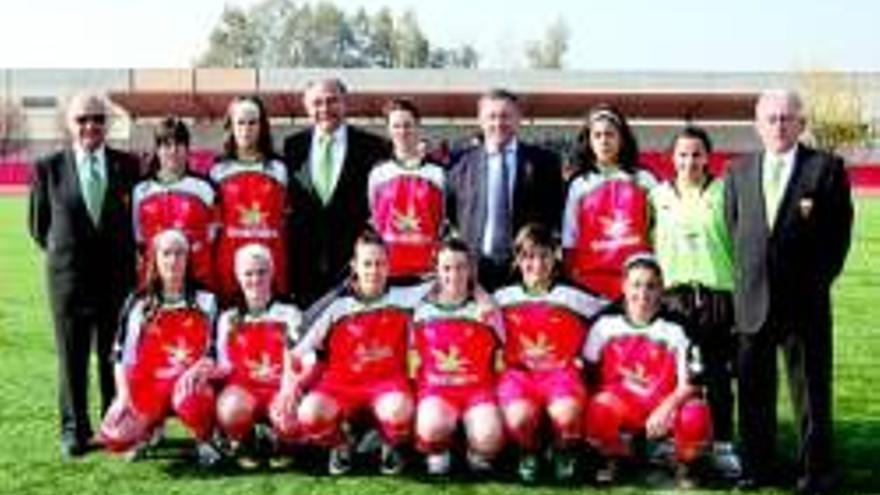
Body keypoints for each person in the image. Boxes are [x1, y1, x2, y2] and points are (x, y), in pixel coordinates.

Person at [725, 90, 853, 494]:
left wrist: (815, 285)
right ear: (757, 125)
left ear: (801, 123)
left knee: (811, 392)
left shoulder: (826, 169)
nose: (779, 125)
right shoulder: (739, 171)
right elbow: (734, 231)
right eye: (771, 118)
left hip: (805, 303)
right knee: (753, 391)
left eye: (786, 118)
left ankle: (817, 471)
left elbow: (838, 239)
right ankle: (757, 468)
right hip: (753, 300)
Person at [28, 92, 141, 458]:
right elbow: (39, 226)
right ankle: (74, 430)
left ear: (107, 123)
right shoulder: (48, 168)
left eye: (97, 118)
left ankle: (115, 428)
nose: (90, 125)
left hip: (116, 280)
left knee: (114, 357)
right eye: (82, 119)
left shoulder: (129, 166)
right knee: (72, 358)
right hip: (69, 281)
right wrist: (68, 255)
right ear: (69, 124)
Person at [288, 231, 428, 476]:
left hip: (388, 383)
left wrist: (481, 296)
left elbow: (454, 275)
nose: (373, 271)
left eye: (379, 264)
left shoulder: (404, 295)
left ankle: (388, 444)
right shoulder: (336, 303)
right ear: (354, 266)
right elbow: (295, 350)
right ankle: (342, 445)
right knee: (309, 414)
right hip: (340, 385)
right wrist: (287, 388)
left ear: (389, 265)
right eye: (367, 264)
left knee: (400, 413)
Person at [650, 126, 741, 480]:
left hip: (717, 295)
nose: (689, 161)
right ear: (671, 159)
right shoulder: (656, 196)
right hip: (674, 299)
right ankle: (672, 442)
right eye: (683, 154)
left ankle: (722, 446)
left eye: (697, 154)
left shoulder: (723, 192)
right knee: (676, 373)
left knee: (717, 374)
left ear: (708, 157)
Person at [582, 254, 712, 487]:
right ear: (623, 287)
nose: (643, 294)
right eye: (636, 285)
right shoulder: (603, 324)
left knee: (695, 413)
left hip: (663, 406)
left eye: (651, 286)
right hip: (622, 406)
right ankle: (614, 457)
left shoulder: (679, 327)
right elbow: (588, 375)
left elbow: (691, 384)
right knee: (598, 407)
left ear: (661, 289)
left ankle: (685, 464)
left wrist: (666, 407)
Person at [494, 223, 607, 482]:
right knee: (520, 418)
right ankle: (529, 451)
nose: (537, 264)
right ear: (518, 260)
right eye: (529, 256)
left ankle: (563, 451)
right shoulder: (501, 298)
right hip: (519, 376)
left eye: (544, 255)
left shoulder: (572, 296)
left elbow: (611, 311)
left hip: (561, 375)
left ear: (554, 258)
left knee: (567, 415)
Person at [97, 229, 219, 463]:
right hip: (149, 385)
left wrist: (199, 370)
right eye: (167, 254)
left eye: (180, 254)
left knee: (193, 399)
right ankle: (149, 428)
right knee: (116, 435)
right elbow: (122, 355)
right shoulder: (138, 301)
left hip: (188, 383)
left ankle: (205, 438)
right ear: (156, 258)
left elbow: (214, 351)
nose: (173, 260)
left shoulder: (206, 300)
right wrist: (123, 397)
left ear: (188, 258)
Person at [283, 78, 391, 306]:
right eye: (317, 103)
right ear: (306, 108)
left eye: (332, 101)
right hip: (305, 265)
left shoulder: (372, 146)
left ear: (345, 103)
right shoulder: (293, 147)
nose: (325, 109)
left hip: (353, 265)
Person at [447, 88, 563, 290]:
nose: (498, 123)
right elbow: (452, 211)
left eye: (505, 116)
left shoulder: (544, 162)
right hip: (475, 268)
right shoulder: (460, 163)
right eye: (491, 117)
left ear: (518, 119)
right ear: (480, 121)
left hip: (526, 268)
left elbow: (553, 212)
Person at [411, 238, 505, 476]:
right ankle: (439, 450)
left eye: (461, 267)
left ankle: (476, 451)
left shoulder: (485, 308)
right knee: (432, 428)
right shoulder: (420, 309)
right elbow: (410, 355)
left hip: (477, 390)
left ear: (471, 270)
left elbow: (504, 345)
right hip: (436, 390)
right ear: (437, 271)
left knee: (489, 438)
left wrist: (487, 302)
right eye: (446, 268)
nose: (454, 275)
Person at [211, 243, 303, 468]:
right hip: (244, 390)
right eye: (248, 273)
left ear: (272, 273)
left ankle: (282, 441)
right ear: (238, 276)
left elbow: (305, 362)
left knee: (291, 422)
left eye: (262, 272)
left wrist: (290, 389)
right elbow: (223, 365)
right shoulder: (228, 318)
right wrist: (203, 369)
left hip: (279, 388)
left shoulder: (290, 314)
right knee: (229, 410)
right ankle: (245, 440)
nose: (256, 279)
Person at [562, 104, 657, 301]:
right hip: (591, 282)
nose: (604, 141)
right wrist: (570, 276)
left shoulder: (644, 179)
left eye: (610, 134)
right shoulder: (580, 184)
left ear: (622, 138)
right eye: (597, 135)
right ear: (589, 141)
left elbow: (660, 230)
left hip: (637, 282)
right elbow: (569, 237)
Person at [210, 96, 289, 304]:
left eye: (253, 122)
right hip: (229, 270)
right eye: (241, 123)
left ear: (262, 126)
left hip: (270, 269)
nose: (246, 129)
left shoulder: (279, 169)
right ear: (231, 126)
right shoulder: (218, 170)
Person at [133, 117, 216, 291]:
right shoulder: (141, 190)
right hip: (153, 285)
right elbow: (139, 239)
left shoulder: (205, 188)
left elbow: (213, 236)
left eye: (179, 145)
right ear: (157, 150)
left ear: (187, 149)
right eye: (166, 145)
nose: (173, 151)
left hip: (197, 283)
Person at [367, 98, 446, 282]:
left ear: (418, 127)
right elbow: (374, 218)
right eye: (396, 126)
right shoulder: (378, 174)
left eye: (408, 125)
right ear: (388, 129)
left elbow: (445, 221)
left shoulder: (438, 173)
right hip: (387, 271)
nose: (402, 131)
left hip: (428, 272)